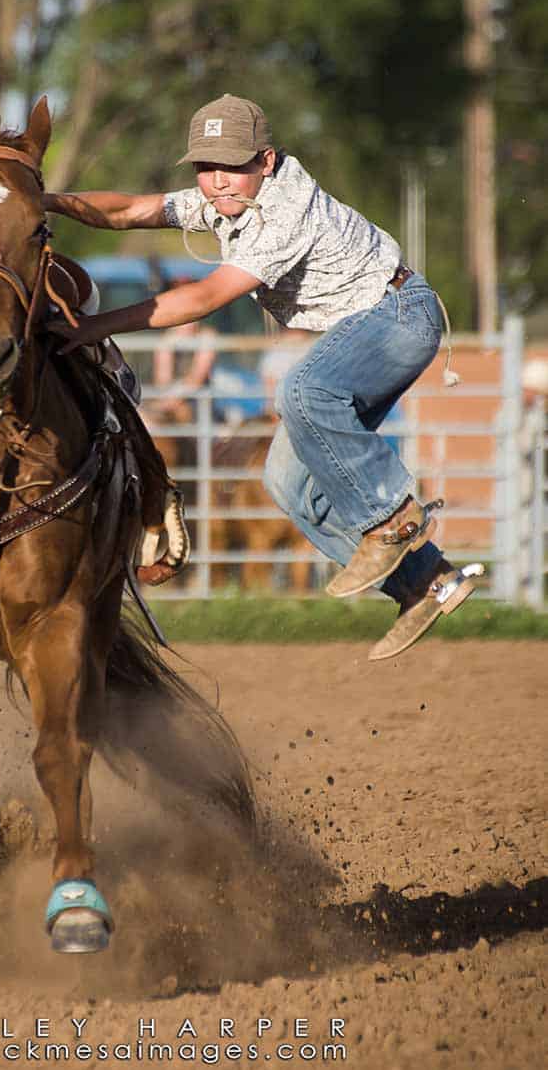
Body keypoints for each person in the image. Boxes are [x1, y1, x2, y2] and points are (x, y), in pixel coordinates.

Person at [43, 93, 482, 660]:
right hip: (367, 327)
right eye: (206, 168)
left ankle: (392, 516)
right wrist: (46, 200)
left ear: (266, 163)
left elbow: (203, 298)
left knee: (301, 392)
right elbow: (129, 211)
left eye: (233, 166)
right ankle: (427, 582)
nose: (219, 181)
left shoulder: (283, 209)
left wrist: (93, 325)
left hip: (398, 314)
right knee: (286, 483)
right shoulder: (226, 202)